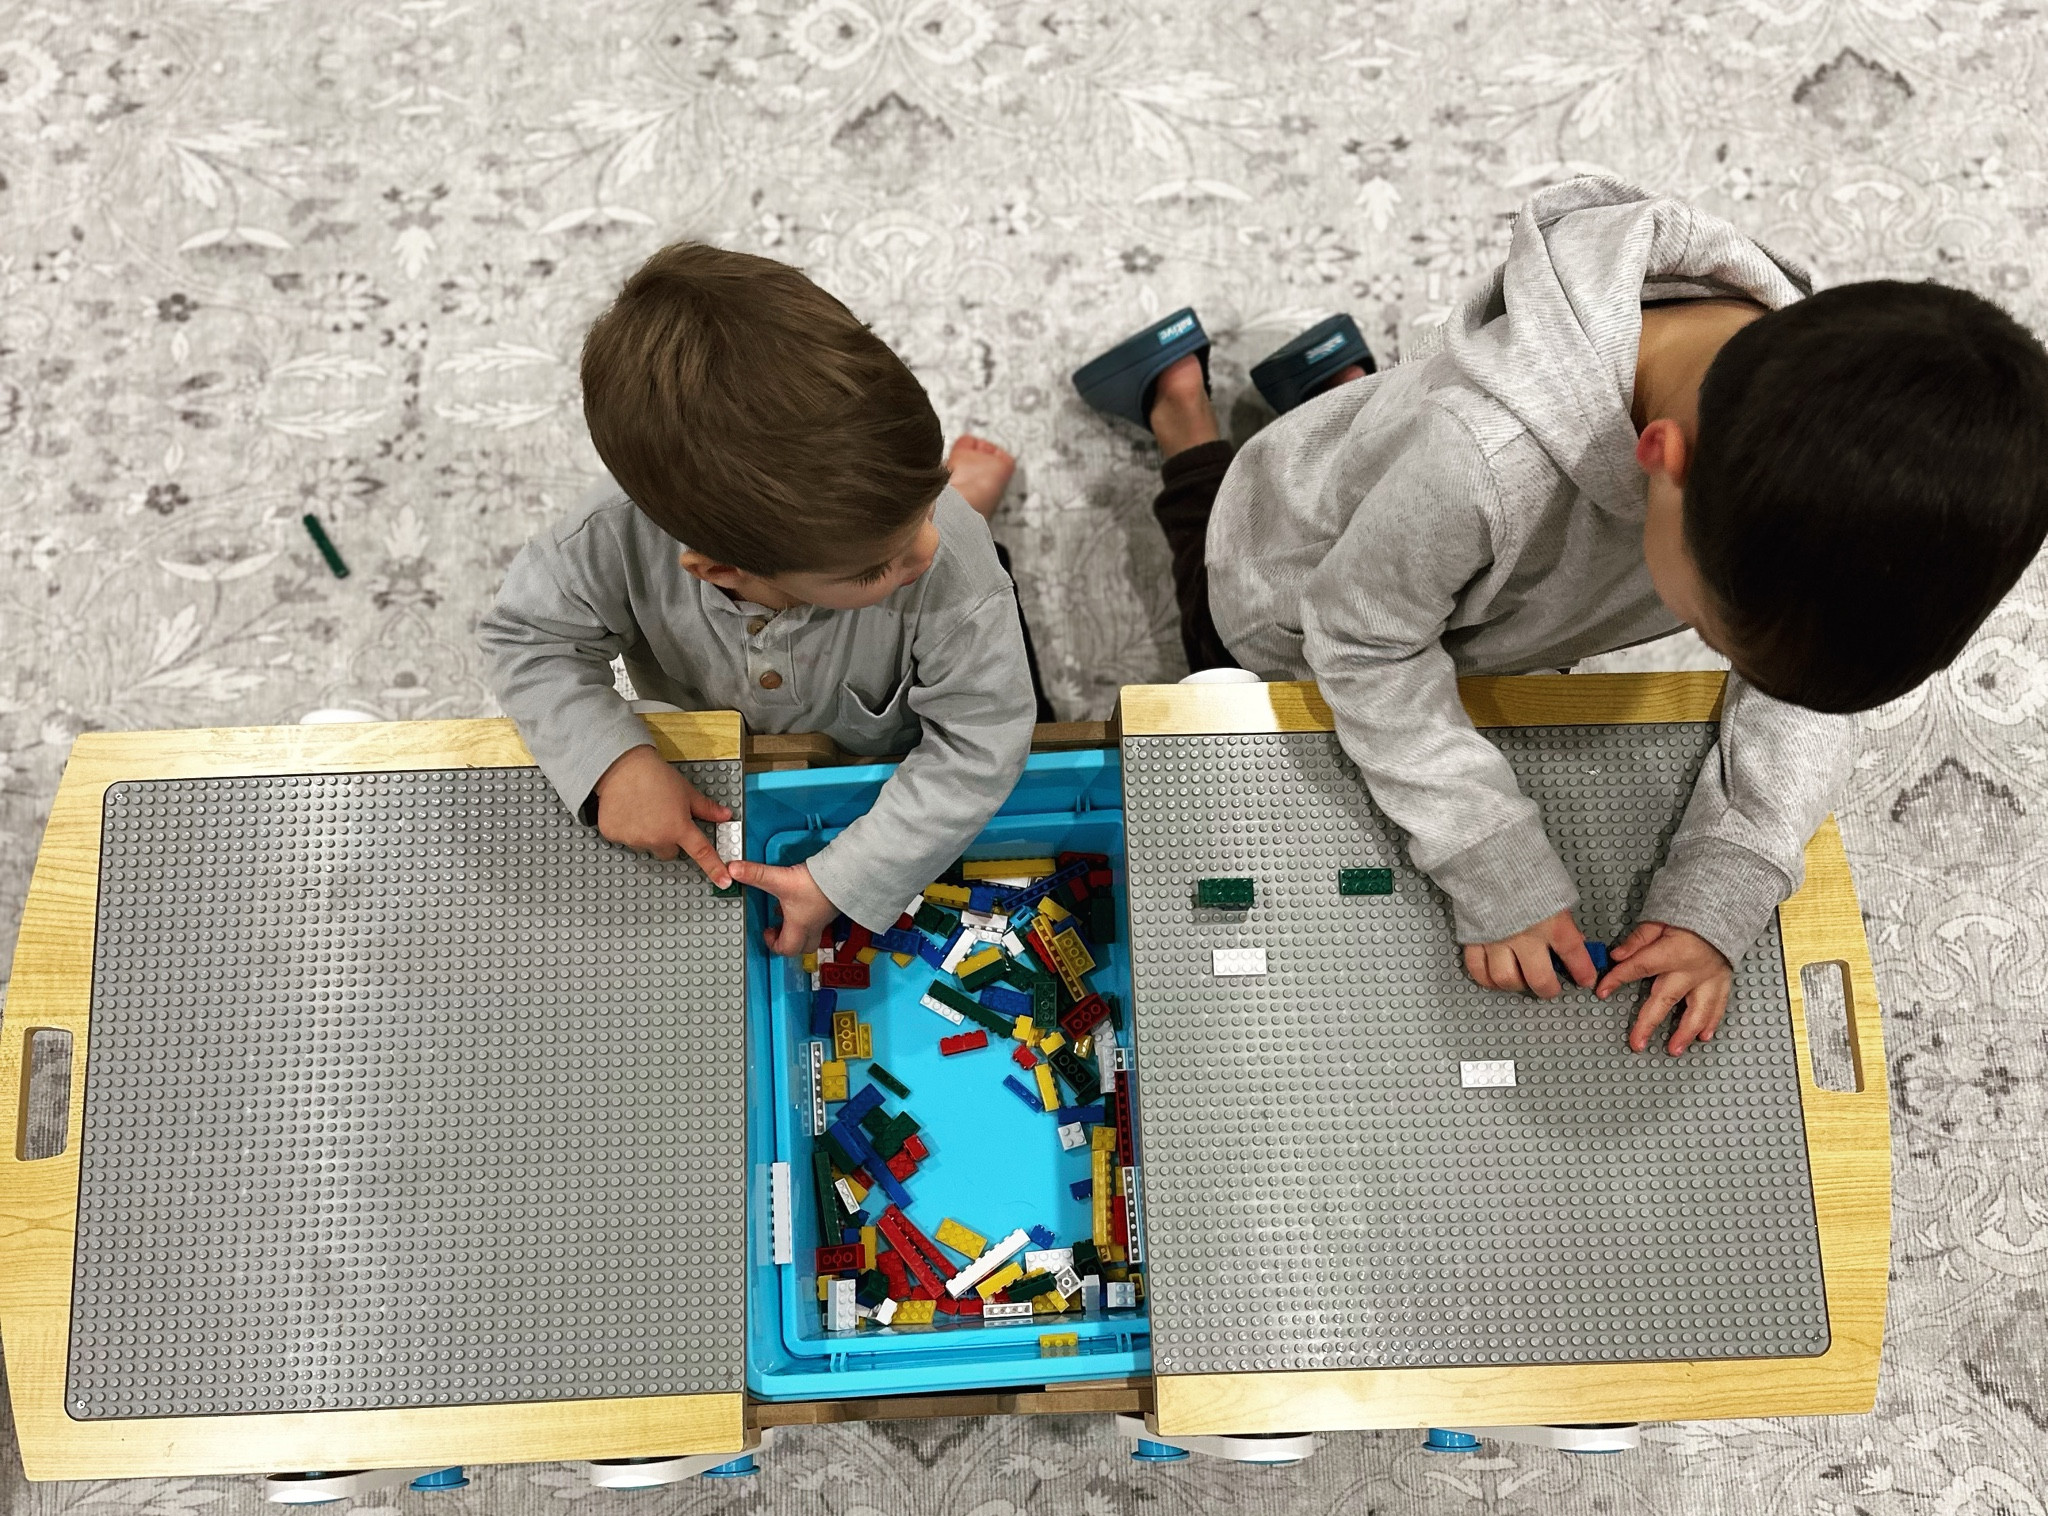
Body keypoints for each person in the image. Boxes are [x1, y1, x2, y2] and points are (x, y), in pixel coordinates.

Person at [1072, 176, 2048, 1053]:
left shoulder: (1812, 386)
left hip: (1452, 555)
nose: (1724, 652)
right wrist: (1488, 858)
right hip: (1288, 571)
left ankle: (1338, 387)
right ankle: (1181, 408)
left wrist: (1729, 875)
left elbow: (1805, 679)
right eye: (1713, 630)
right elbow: (1359, 638)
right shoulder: (1480, 460)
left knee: (1417, 526)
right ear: (1655, 460)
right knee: (1212, 585)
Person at [480, 242, 1043, 959]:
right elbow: (526, 638)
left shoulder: (951, 566)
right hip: (731, 742)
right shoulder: (609, 536)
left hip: (894, 747)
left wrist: (846, 878)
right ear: (720, 571)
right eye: (875, 566)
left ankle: (963, 496)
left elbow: (984, 740)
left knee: (973, 568)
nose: (924, 556)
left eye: (926, 494)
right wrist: (611, 761)